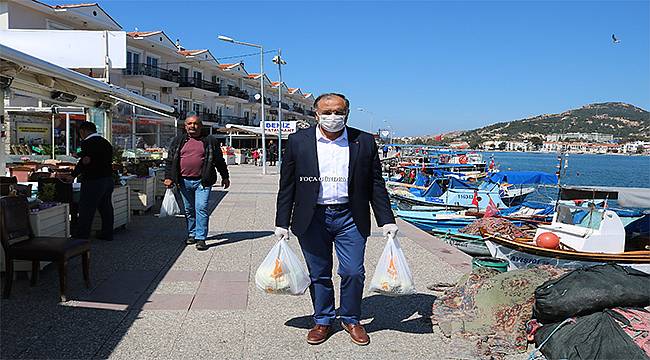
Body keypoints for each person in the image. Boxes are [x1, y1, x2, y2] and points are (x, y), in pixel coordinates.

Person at [275, 93, 398, 346]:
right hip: (312, 216)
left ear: (347, 113)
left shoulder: (363, 141)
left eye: (339, 112)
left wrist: (386, 219)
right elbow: (287, 185)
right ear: (316, 114)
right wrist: (281, 222)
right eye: (327, 112)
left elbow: (376, 183)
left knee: (353, 271)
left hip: (350, 216)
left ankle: (351, 318)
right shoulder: (298, 141)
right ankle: (322, 320)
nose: (333, 117)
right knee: (319, 273)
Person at [163, 113, 230, 251]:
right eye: (190, 124)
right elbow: (170, 161)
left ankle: (201, 238)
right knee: (189, 210)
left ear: (200, 126)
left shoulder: (210, 141)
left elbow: (219, 161)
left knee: (201, 208)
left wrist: (225, 176)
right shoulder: (178, 141)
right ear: (185, 126)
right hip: (183, 181)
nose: (193, 126)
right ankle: (192, 234)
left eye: (196, 124)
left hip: (203, 181)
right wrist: (168, 177)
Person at [72, 121, 114, 240]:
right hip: (108, 179)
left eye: (80, 133)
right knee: (106, 207)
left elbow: (85, 161)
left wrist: (73, 174)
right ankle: (107, 233)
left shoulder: (88, 143)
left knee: (86, 208)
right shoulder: (106, 142)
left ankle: (82, 236)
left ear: (83, 131)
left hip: (93, 180)